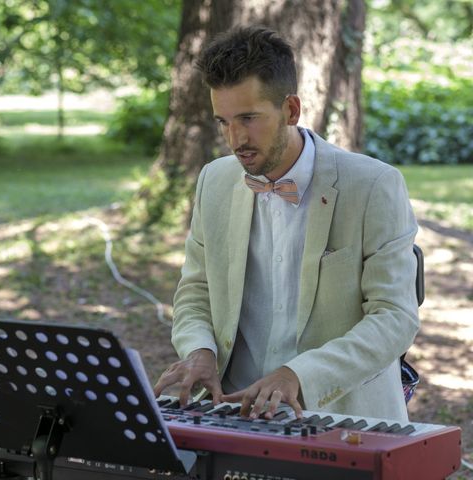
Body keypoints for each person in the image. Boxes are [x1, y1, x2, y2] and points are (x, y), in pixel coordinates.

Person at [152, 25, 419, 422]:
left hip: (341, 416)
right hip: (234, 411)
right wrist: (200, 350)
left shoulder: (373, 185)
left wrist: (298, 375)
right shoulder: (215, 180)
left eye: (248, 118)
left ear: (291, 109)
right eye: (223, 121)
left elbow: (395, 317)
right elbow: (196, 290)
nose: (235, 138)